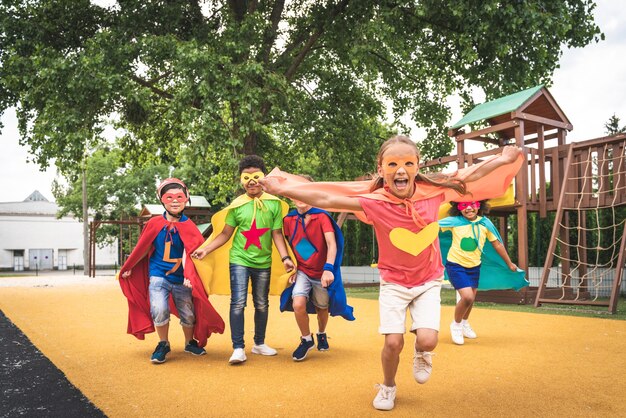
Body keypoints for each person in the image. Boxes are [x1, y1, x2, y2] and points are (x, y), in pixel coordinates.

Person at [259, 135, 523, 411]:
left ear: (417, 166)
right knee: (393, 342)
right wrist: (284, 191)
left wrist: (502, 159)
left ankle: (422, 353)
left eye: (408, 163)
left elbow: (469, 175)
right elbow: (325, 197)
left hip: (428, 280)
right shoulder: (374, 202)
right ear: (381, 167)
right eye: (393, 163)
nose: (401, 170)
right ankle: (388, 386)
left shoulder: (434, 191)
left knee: (428, 339)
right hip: (394, 282)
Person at [191, 155, 295, 364]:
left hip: (263, 262)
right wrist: (206, 249)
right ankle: (238, 347)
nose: (251, 181)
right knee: (238, 302)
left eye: (256, 176)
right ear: (241, 180)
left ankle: (259, 343)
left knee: (262, 303)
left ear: (263, 178)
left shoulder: (274, 205)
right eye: (246, 177)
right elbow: (225, 234)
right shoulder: (237, 206)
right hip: (239, 259)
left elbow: (277, 234)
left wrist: (285, 257)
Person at [119, 178, 225, 364]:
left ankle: (189, 342)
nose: (175, 201)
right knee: (159, 308)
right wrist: (131, 266)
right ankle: (163, 343)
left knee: (188, 313)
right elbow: (143, 247)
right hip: (158, 275)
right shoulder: (153, 224)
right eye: (169, 197)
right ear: (162, 200)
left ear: (186, 199)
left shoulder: (190, 227)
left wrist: (190, 276)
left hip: (182, 279)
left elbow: (195, 255)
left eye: (179, 197)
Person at [280, 175, 355, 362]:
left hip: (321, 272)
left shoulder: (321, 216)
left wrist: (329, 268)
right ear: (291, 195)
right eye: (296, 191)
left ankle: (321, 333)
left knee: (323, 307)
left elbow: (332, 244)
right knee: (298, 303)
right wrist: (291, 268)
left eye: (305, 190)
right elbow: (286, 243)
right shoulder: (288, 219)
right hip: (303, 271)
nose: (300, 196)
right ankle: (306, 339)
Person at [439, 200, 520, 345]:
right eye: (464, 205)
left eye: (472, 205)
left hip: (474, 266)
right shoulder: (455, 221)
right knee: (467, 297)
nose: (469, 208)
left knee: (471, 300)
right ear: (458, 208)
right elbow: (432, 226)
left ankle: (464, 323)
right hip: (456, 265)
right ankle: (456, 325)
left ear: (479, 206)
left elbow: (497, 244)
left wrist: (509, 263)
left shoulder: (485, 223)